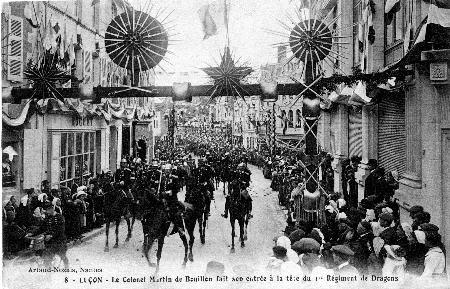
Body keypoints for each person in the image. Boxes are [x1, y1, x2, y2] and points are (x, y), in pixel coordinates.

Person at [31, 201, 69, 269]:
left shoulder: (59, 217)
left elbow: (61, 229)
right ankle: (48, 274)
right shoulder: (47, 218)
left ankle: (67, 268)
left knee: (63, 256)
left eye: (48, 210)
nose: (46, 212)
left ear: (52, 208)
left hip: (59, 241)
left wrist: (51, 235)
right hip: (50, 242)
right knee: (47, 258)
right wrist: (32, 233)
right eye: (46, 210)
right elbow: (42, 228)